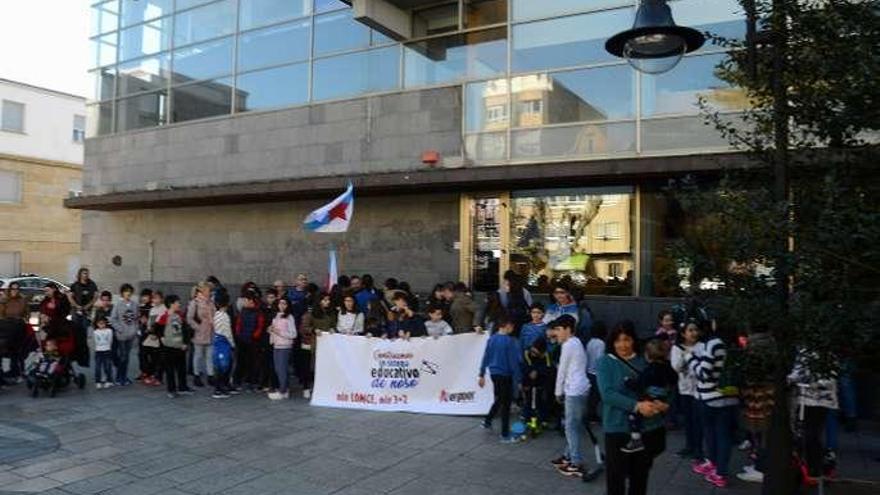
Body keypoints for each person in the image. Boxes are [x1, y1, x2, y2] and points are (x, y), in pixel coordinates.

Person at [597, 321, 668, 495]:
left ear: (634, 340)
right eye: (618, 340)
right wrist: (636, 406)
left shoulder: (645, 360)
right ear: (612, 342)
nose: (622, 345)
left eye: (627, 339)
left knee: (640, 477)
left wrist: (662, 402)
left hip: (645, 428)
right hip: (616, 427)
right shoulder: (605, 362)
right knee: (615, 478)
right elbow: (607, 394)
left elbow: (662, 384)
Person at [688, 325, 740, 488]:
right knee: (724, 435)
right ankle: (719, 470)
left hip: (711, 395)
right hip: (731, 395)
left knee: (711, 432)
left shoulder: (714, 343)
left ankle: (716, 468)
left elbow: (703, 373)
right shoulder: (735, 342)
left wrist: (691, 358)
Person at [549, 315, 598, 479]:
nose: (556, 333)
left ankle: (575, 463)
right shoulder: (575, 342)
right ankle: (567, 456)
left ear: (568, 329)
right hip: (580, 388)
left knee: (570, 427)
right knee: (574, 425)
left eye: (558, 329)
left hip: (574, 391)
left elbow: (561, 370)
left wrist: (557, 392)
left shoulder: (569, 345)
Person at [789, 348, 839, 483]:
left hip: (819, 400)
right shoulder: (804, 351)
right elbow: (797, 371)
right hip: (806, 399)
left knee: (811, 434)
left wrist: (807, 381)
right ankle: (815, 466)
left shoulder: (827, 354)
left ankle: (817, 466)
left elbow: (830, 378)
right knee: (807, 434)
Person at [621, 339, 677, 454]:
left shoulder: (649, 370)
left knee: (633, 414)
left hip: (650, 399)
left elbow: (639, 385)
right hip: (664, 398)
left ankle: (636, 439)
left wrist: (627, 381)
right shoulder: (668, 367)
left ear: (647, 355)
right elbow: (674, 379)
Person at [478, 316, 522, 443]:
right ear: (507, 326)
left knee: (499, 399)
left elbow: (486, 357)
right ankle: (505, 434)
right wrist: (518, 380)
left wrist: (481, 374)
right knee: (506, 404)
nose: (513, 329)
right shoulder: (510, 341)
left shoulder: (492, 339)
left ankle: (487, 421)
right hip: (505, 374)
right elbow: (513, 363)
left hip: (494, 374)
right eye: (512, 326)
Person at [670, 321, 703, 461]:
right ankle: (690, 446)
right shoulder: (677, 348)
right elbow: (676, 367)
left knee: (698, 420)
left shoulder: (702, 346)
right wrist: (685, 356)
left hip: (700, 389)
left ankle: (699, 448)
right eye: (690, 330)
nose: (694, 333)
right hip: (685, 389)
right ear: (683, 333)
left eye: (695, 329)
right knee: (688, 419)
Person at [298, 292, 335, 399]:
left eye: (328, 300)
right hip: (310, 344)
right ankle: (306, 388)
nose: (327, 302)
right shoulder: (310, 314)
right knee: (307, 367)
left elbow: (332, 325)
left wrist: (333, 329)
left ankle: (318, 387)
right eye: (324, 300)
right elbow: (303, 328)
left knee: (320, 368)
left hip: (324, 345)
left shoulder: (330, 313)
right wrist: (313, 330)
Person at [156, 295, 193, 398]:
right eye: (178, 303)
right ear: (171, 304)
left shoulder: (180, 316)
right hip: (168, 348)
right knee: (170, 370)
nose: (179, 304)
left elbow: (185, 330)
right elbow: (157, 329)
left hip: (180, 347)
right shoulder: (164, 316)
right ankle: (171, 390)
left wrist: (185, 343)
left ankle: (183, 387)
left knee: (182, 368)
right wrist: (161, 338)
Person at [186, 282, 216, 388]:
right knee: (198, 355)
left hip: (211, 332)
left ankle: (210, 375)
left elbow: (214, 315)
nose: (209, 292)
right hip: (199, 333)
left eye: (210, 290)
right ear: (202, 291)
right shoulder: (195, 302)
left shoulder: (211, 302)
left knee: (210, 355)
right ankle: (196, 375)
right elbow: (189, 318)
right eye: (208, 290)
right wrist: (198, 328)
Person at [234, 294, 265, 391]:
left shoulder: (258, 313)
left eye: (249, 301)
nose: (246, 302)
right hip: (243, 340)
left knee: (252, 362)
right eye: (246, 301)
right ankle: (238, 380)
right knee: (241, 361)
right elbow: (238, 325)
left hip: (253, 341)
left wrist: (254, 336)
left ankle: (251, 381)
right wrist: (239, 334)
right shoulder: (242, 312)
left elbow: (260, 326)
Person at [110, 284, 139, 386]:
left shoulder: (134, 305)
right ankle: (119, 377)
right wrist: (120, 329)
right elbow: (113, 319)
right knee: (122, 357)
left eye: (130, 291)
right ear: (122, 293)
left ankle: (124, 377)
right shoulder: (118, 305)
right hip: (121, 335)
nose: (128, 293)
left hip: (131, 335)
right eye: (126, 291)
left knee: (127, 357)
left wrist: (135, 330)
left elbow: (136, 319)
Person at [68, 267, 98, 367]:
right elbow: (69, 296)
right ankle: (75, 354)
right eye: (84, 273)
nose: (86, 275)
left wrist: (87, 306)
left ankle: (83, 357)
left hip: (86, 312)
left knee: (84, 334)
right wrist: (76, 306)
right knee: (75, 332)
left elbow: (95, 296)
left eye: (87, 273)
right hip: (76, 311)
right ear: (80, 274)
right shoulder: (75, 285)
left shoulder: (92, 284)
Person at [268, 298, 297, 400]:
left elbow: (293, 334)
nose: (282, 305)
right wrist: (271, 332)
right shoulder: (276, 315)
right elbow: (273, 330)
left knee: (282, 369)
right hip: (276, 345)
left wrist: (278, 332)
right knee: (278, 369)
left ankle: (282, 390)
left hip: (285, 346)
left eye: (284, 303)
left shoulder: (290, 317)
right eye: (280, 303)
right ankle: (285, 389)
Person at [521, 337, 550, 426]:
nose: (533, 353)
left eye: (536, 352)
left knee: (541, 400)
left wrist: (538, 371)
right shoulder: (526, 352)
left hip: (541, 380)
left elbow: (548, 369)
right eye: (532, 351)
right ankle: (527, 418)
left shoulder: (546, 355)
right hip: (528, 380)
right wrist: (526, 380)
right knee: (528, 399)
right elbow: (525, 366)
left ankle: (543, 419)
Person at [211, 292, 235, 399]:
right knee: (225, 365)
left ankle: (221, 386)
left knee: (219, 365)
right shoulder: (225, 316)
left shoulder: (216, 314)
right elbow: (227, 332)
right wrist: (232, 344)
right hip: (224, 342)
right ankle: (219, 388)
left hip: (217, 341)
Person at [585, 321, 607, 422]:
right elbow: (600, 358)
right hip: (597, 373)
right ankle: (592, 415)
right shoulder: (601, 343)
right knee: (595, 396)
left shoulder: (590, 342)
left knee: (591, 396)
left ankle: (590, 414)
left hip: (589, 371)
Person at [142, 291, 165, 386]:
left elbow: (161, 323)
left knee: (159, 358)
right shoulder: (152, 309)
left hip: (159, 335)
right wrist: (148, 329)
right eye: (154, 298)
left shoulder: (164, 309)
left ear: (161, 299)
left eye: (157, 298)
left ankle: (158, 377)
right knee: (150, 356)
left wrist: (156, 332)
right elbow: (149, 322)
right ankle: (150, 374)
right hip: (151, 334)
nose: (155, 300)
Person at [136, 288, 153, 383]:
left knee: (149, 353)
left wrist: (146, 320)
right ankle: (143, 372)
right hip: (141, 332)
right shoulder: (141, 307)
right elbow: (138, 318)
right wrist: (139, 319)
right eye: (143, 296)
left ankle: (150, 373)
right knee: (141, 354)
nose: (144, 298)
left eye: (146, 296)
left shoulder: (152, 307)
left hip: (149, 333)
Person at [93, 316, 114, 389]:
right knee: (97, 367)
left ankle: (109, 380)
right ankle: (98, 381)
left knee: (107, 366)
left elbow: (110, 340)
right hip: (98, 351)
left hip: (107, 350)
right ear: (97, 324)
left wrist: (106, 345)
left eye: (103, 323)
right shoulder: (95, 332)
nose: (101, 325)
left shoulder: (109, 331)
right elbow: (96, 342)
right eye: (100, 323)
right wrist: (103, 343)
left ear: (105, 324)